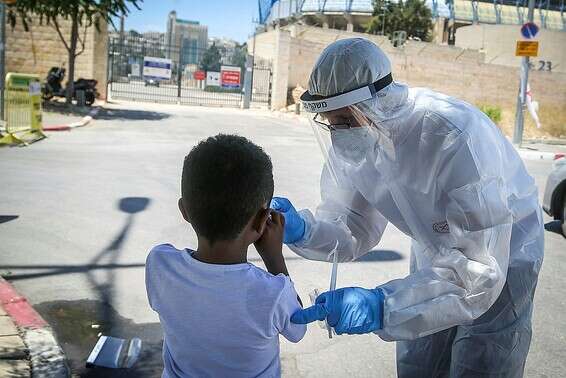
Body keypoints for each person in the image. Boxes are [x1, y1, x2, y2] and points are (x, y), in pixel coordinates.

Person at [272, 38, 544, 377]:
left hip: (503, 248)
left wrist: (382, 306)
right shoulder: (358, 139)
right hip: (434, 242)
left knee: (484, 358)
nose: (337, 132)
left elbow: (479, 271)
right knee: (421, 357)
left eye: (343, 119)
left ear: (377, 103)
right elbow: (352, 225)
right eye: (329, 121)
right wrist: (303, 229)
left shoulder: (453, 137)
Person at [146, 134, 306, 378]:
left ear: (184, 210)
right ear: (263, 221)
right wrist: (275, 259)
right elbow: (298, 328)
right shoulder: (272, 293)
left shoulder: (160, 264)